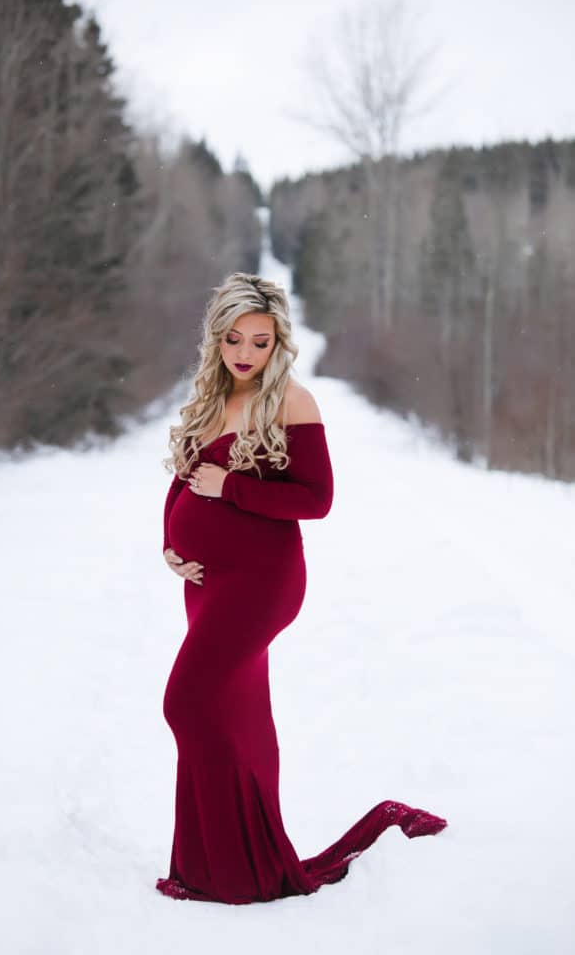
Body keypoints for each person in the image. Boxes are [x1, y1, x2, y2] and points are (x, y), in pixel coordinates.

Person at [157, 272, 447, 904]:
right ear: (217, 339)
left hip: (261, 581)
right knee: (236, 714)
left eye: (259, 342)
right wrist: (171, 543)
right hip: (206, 584)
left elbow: (317, 500)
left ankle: (232, 865)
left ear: (277, 344)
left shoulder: (291, 401)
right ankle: (219, 864)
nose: (244, 353)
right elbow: (185, 480)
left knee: (189, 704)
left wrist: (229, 489)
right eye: (234, 339)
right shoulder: (210, 398)